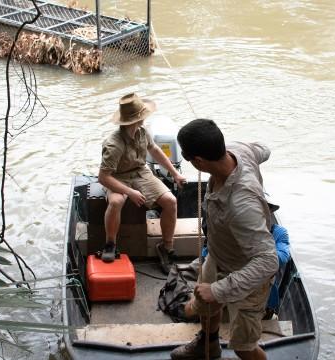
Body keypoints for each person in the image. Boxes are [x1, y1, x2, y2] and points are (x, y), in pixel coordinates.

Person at [172, 119, 278, 360]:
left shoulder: (241, 206)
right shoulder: (240, 149)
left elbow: (268, 261)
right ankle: (207, 345)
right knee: (207, 308)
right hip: (219, 256)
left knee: (243, 346)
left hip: (249, 275)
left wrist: (219, 290)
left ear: (198, 162)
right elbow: (264, 149)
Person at [98, 93, 186, 273]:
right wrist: (129, 192)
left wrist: (175, 173)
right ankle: (110, 244)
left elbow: (154, 150)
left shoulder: (143, 132)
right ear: (134, 119)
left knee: (171, 201)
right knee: (116, 202)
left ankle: (166, 247)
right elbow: (103, 177)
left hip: (141, 172)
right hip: (117, 176)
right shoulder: (114, 144)